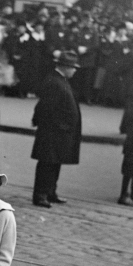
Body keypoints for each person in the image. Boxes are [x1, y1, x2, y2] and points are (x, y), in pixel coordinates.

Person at [30, 50, 82, 208]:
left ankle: (50, 192)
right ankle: (41, 195)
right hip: (53, 132)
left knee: (55, 163)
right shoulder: (54, 81)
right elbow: (46, 109)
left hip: (58, 132)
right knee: (47, 164)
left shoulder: (60, 79)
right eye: (73, 67)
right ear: (65, 67)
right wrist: (62, 126)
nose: (74, 70)